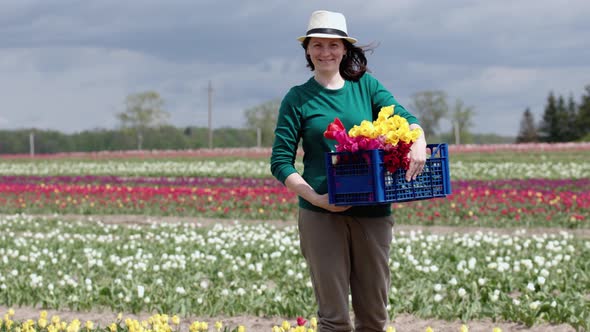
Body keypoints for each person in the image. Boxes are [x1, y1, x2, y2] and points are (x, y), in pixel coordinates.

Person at [270, 10, 427, 332]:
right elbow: (280, 161)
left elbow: (404, 116)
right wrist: (316, 198)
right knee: (333, 317)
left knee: (373, 315)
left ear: (344, 49)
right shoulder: (297, 99)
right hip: (321, 214)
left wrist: (418, 139)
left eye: (332, 45)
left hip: (373, 210)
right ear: (308, 50)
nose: (325, 52)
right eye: (317, 45)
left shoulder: (365, 86)